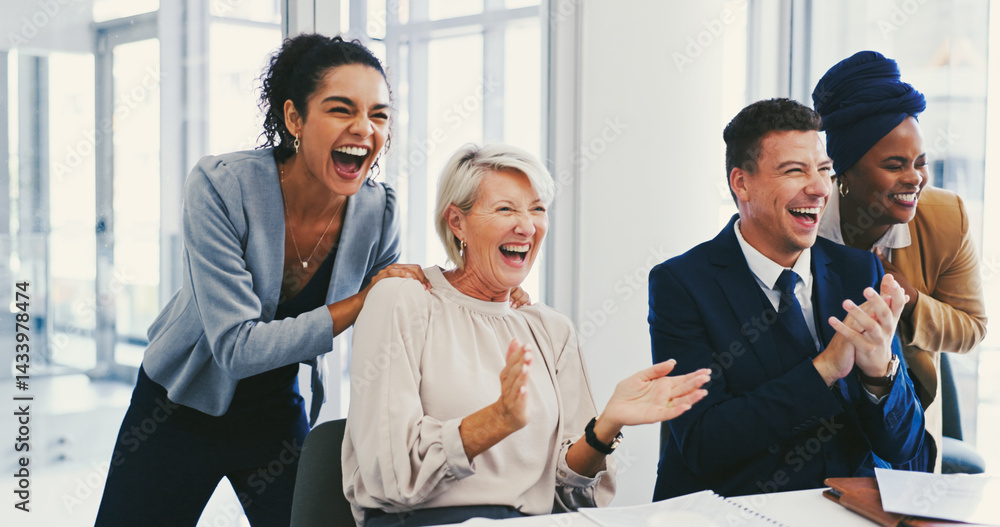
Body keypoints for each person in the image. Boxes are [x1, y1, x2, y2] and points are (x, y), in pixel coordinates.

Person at [95, 34, 431, 525]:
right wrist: (362, 301)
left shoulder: (380, 213)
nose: (365, 128)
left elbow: (395, 309)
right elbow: (236, 348)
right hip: (176, 409)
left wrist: (491, 292)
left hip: (275, 412)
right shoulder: (221, 186)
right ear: (295, 118)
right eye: (342, 109)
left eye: (379, 115)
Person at [343, 143, 711, 526]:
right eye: (506, 209)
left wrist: (607, 425)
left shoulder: (549, 328)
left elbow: (571, 497)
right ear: (457, 222)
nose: (527, 225)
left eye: (537, 209)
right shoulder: (403, 298)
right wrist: (495, 421)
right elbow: (390, 478)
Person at [649, 98, 926, 501]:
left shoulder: (860, 271)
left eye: (825, 170)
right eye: (795, 171)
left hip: (850, 511)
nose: (818, 188)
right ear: (741, 183)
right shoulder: (682, 284)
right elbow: (704, 443)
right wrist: (825, 368)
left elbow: (904, 449)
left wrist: (880, 375)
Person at [813, 50, 988, 473]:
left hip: (903, 407)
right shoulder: (807, 220)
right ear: (844, 173)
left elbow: (972, 330)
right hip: (816, 407)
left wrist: (909, 298)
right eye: (895, 165)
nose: (915, 178)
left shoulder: (946, 218)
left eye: (920, 163)